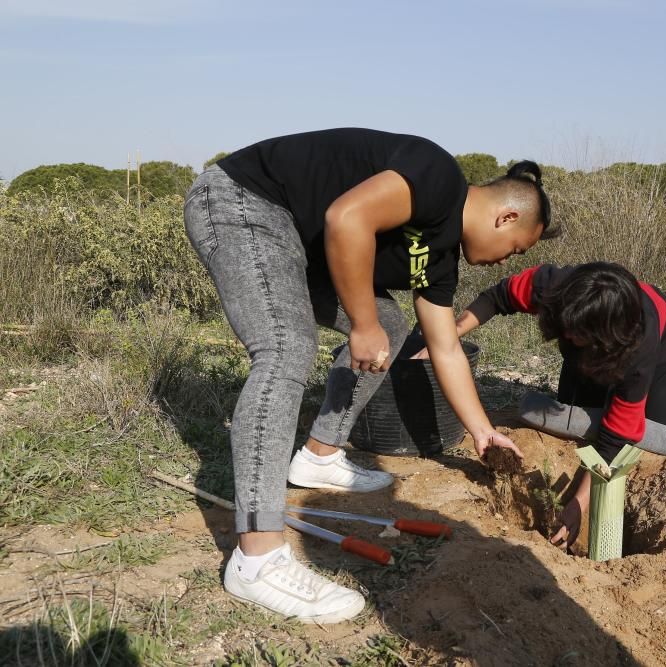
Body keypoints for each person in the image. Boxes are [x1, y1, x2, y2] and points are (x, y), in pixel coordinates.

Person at [183, 128, 558, 623]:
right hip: (243, 202)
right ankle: (257, 558)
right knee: (287, 347)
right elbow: (346, 217)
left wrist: (483, 432)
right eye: (515, 249)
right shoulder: (438, 176)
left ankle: (319, 455)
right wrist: (361, 324)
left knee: (395, 325)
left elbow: (445, 349)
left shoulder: (440, 262)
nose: (509, 260)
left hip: (296, 238)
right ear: (506, 216)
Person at [442, 261, 666, 549]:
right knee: (572, 407)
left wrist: (578, 505)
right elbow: (497, 296)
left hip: (658, 328)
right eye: (569, 328)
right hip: (602, 330)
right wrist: (445, 339)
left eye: (578, 335)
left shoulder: (638, 351)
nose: (567, 336)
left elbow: (614, 438)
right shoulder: (556, 289)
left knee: (665, 419)